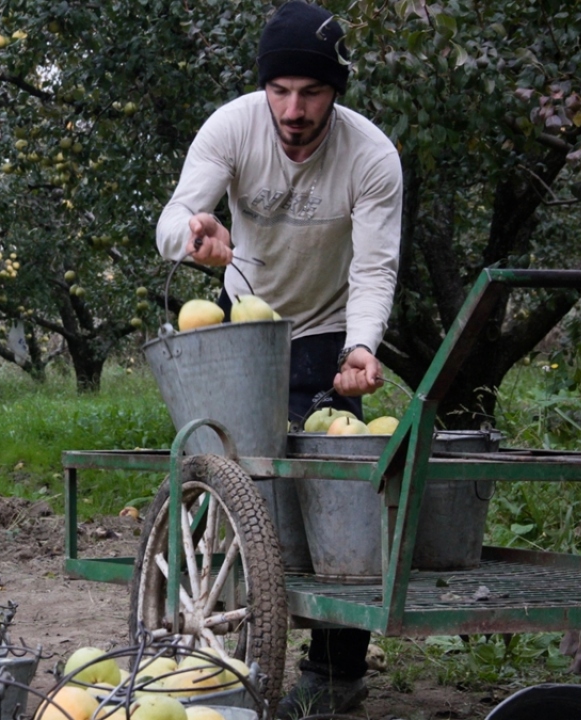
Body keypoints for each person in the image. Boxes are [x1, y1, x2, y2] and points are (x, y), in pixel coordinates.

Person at [155, 0, 402, 715]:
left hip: (328, 336)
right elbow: (174, 217)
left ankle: (334, 675)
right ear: (264, 88)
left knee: (337, 506)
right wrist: (192, 234)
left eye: (312, 92)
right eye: (281, 90)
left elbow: (375, 268)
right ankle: (219, 656)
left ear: (336, 91)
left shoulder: (370, 156)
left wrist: (361, 348)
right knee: (233, 489)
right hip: (243, 332)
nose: (294, 109)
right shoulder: (232, 128)